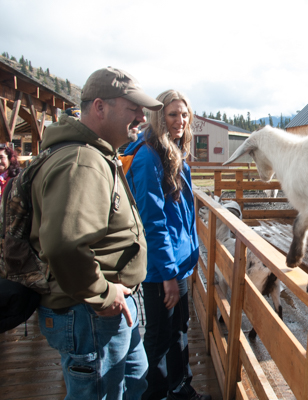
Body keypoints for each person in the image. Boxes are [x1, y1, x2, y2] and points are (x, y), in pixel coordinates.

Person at [30, 67, 163, 400]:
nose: (140, 116)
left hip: (103, 311)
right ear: (100, 107)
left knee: (131, 384)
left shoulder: (96, 154)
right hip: (91, 313)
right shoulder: (82, 161)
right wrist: (103, 295)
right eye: (132, 107)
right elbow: (64, 245)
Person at [124, 90, 209, 400]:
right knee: (160, 337)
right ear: (160, 117)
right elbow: (154, 223)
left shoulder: (172, 153)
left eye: (184, 114)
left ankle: (181, 388)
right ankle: (156, 393)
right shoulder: (148, 157)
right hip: (162, 269)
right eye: (173, 114)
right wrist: (169, 275)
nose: (181, 120)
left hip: (176, 264)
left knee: (179, 331)